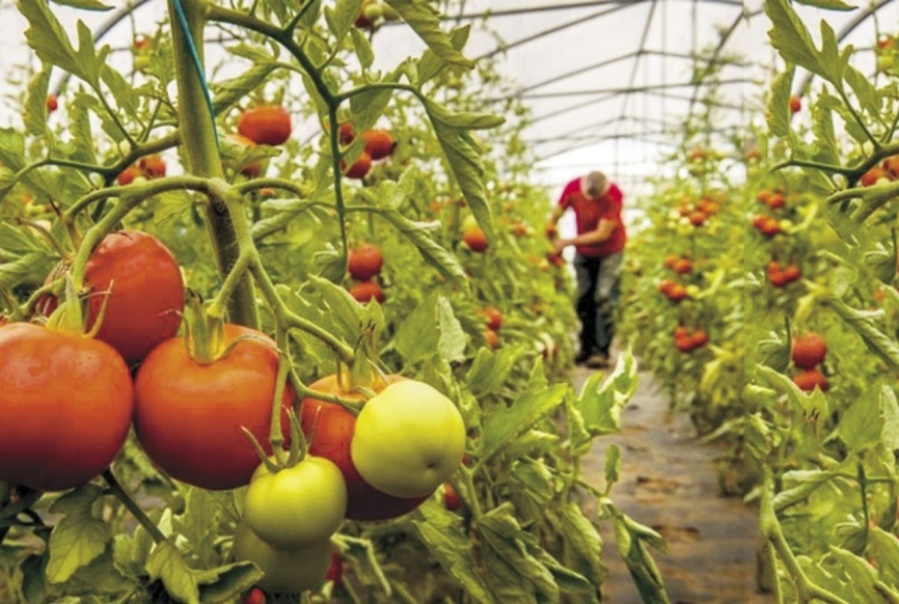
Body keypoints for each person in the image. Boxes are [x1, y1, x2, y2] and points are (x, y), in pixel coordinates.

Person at [546, 171, 626, 368]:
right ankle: (586, 348)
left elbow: (602, 234)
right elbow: (556, 214)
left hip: (610, 251)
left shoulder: (614, 195)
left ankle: (601, 352)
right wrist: (549, 234)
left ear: (605, 188)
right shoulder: (573, 187)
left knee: (603, 297)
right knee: (584, 298)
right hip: (584, 253)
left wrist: (567, 242)